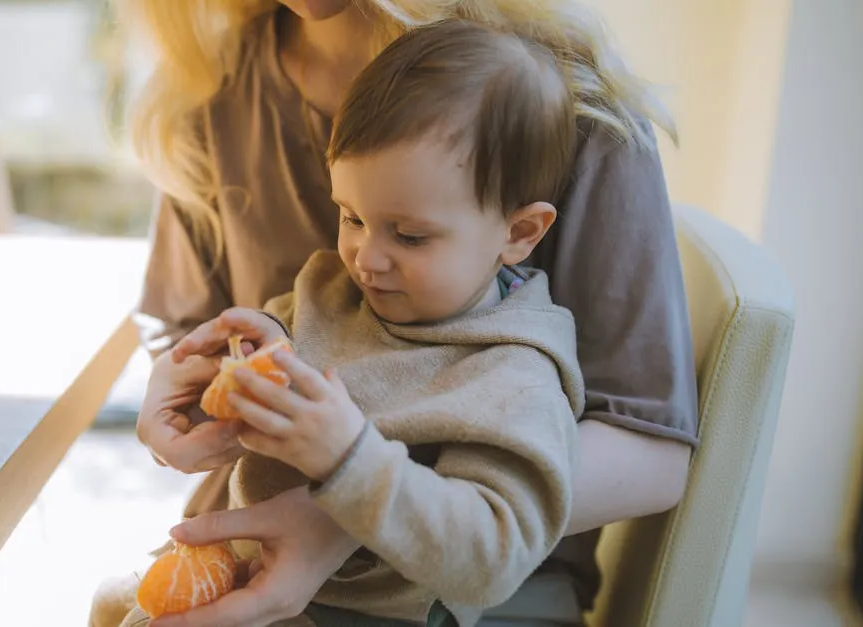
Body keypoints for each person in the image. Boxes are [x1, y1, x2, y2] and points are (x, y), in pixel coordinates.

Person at [103, 0, 699, 625]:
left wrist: (349, 508)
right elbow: (241, 333)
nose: (365, 262)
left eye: (410, 236)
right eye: (350, 218)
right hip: (242, 549)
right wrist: (204, 387)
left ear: (521, 232)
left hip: (428, 597)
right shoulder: (216, 94)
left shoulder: (508, 367)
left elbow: (639, 456)